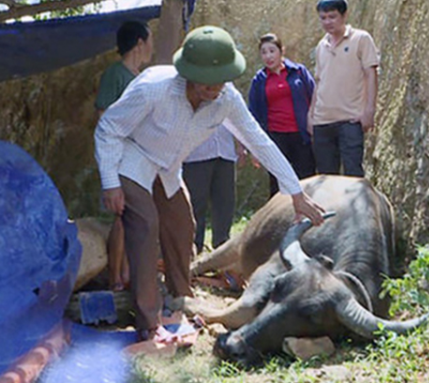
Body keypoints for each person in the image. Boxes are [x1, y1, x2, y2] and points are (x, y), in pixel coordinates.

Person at [94, 25, 326, 343]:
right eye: (207, 81)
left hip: (168, 168)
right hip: (132, 158)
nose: (215, 88)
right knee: (145, 226)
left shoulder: (226, 98)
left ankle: (180, 301)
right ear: (187, 73)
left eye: (221, 80)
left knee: (182, 225)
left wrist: (296, 193)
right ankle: (149, 323)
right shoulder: (152, 88)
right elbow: (108, 128)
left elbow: (259, 141)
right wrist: (110, 183)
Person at [94, 21, 153, 292]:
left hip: (139, 158)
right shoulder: (115, 75)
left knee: (134, 216)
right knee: (121, 215)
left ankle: (129, 272)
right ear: (139, 43)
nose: (151, 46)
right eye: (149, 40)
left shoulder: (141, 77)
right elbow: (103, 116)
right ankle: (115, 277)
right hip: (118, 155)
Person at [307, 0, 379, 177]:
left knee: (353, 175)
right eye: (323, 18)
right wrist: (311, 114)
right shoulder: (321, 46)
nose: (327, 22)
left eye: (332, 16)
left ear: (344, 15)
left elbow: (371, 74)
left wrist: (369, 110)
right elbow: (319, 81)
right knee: (325, 177)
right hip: (323, 120)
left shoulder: (361, 39)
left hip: (350, 119)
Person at [248, 33, 316, 197]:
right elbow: (253, 114)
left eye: (272, 51)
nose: (268, 56)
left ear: (281, 51)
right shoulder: (259, 80)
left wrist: (312, 124)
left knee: (306, 179)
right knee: (278, 183)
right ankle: (280, 220)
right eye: (264, 52)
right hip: (275, 137)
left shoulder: (299, 72)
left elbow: (315, 96)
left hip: (301, 135)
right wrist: (254, 148)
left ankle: (311, 217)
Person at [182, 125, 244, 254]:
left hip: (225, 152)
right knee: (196, 203)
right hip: (196, 154)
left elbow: (234, 120)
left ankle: (222, 246)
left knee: (225, 202)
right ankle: (194, 247)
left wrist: (240, 145)